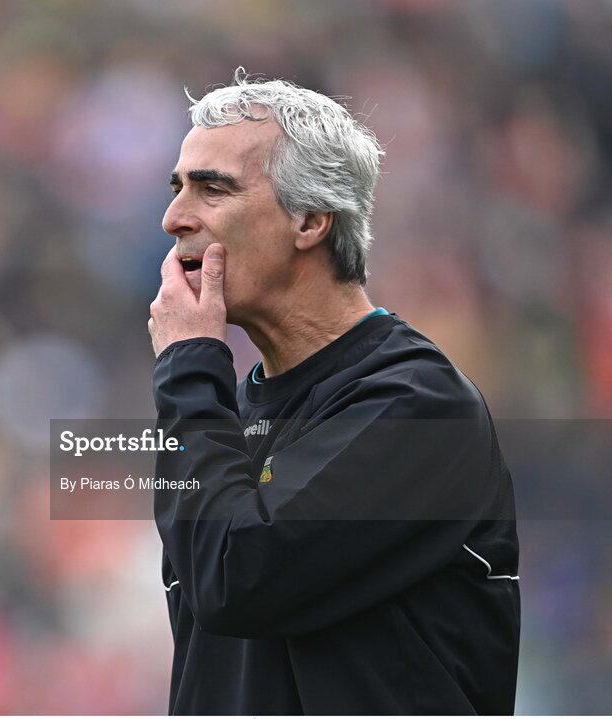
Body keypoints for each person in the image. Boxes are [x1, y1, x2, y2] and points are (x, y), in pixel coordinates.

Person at [147, 69, 519, 715]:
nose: (174, 217)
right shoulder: (219, 412)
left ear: (311, 219)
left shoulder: (419, 405)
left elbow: (239, 579)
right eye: (179, 187)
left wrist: (186, 363)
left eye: (213, 189)